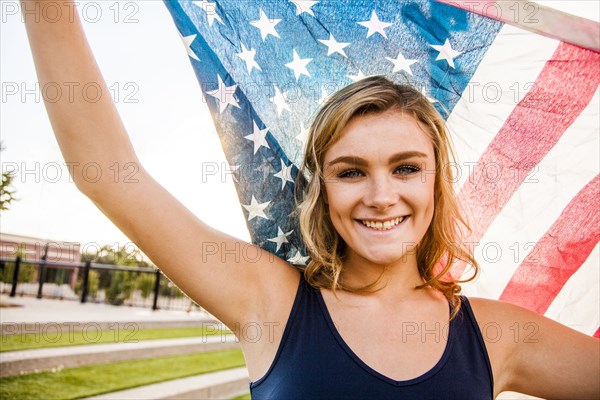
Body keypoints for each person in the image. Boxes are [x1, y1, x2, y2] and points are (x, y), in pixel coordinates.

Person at [22, 1, 599, 398]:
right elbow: (109, 175)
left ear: (434, 184)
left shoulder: (496, 336)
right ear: (322, 191)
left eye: (406, 168)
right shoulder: (269, 300)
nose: (381, 195)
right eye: (350, 172)